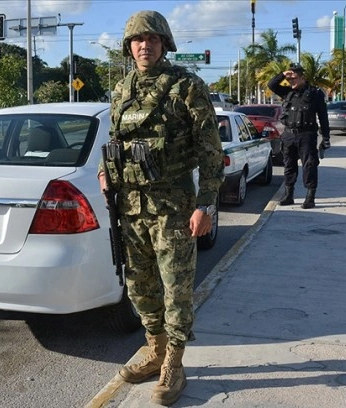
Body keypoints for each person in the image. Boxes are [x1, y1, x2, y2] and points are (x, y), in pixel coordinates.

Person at [97, 10, 224, 406]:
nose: (144, 45)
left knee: (176, 289)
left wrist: (206, 205)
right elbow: (114, 140)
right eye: (137, 40)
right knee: (140, 287)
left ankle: (175, 362)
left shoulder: (186, 86)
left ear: (164, 43)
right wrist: (105, 173)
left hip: (173, 207)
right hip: (130, 208)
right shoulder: (122, 90)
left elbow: (210, 150)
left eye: (152, 39)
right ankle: (155, 349)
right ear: (128, 46)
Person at [267, 63, 330, 209]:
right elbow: (272, 84)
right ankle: (289, 195)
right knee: (289, 165)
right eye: (289, 80)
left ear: (302, 78)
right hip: (289, 134)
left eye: (294, 78)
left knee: (309, 165)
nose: (291, 82)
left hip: (307, 135)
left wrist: (326, 137)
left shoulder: (315, 93)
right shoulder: (288, 92)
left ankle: (310, 197)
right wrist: (283, 74)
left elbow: (323, 116)